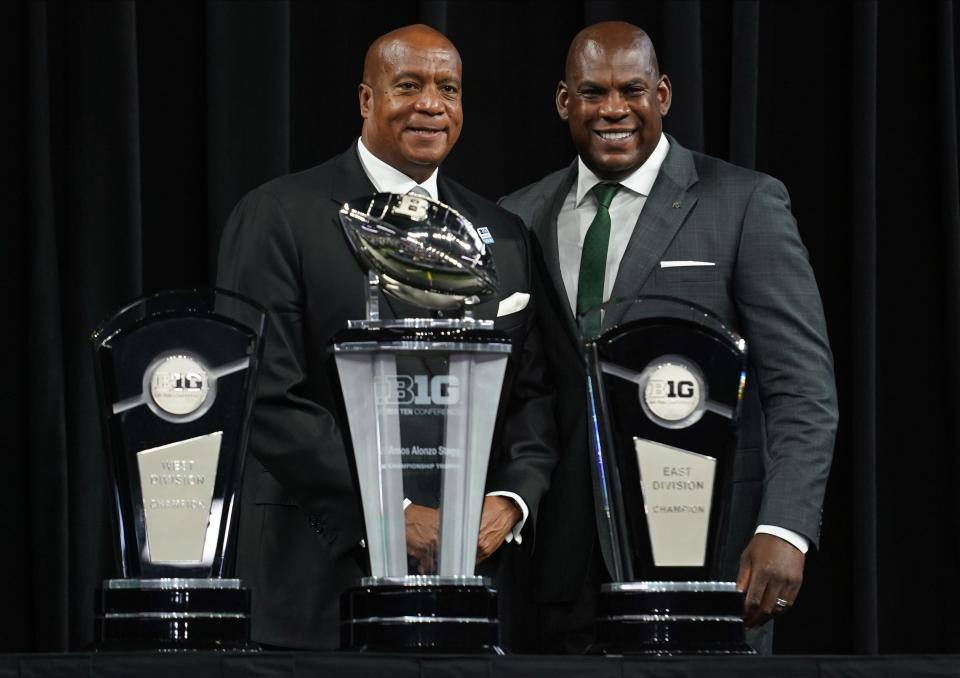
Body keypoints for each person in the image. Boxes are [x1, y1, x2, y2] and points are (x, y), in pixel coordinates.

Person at [500, 21, 838, 654]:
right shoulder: (518, 217)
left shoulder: (743, 203)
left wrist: (786, 528)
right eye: (592, 93)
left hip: (709, 556)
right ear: (563, 101)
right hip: (561, 574)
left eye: (631, 90)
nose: (613, 110)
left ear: (663, 94)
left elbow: (803, 388)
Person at [216, 24, 556, 650]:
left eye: (448, 89)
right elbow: (266, 394)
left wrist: (510, 499)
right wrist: (392, 516)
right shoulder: (279, 215)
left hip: (472, 585)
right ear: (367, 100)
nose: (432, 104)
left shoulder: (503, 233)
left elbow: (533, 393)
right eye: (409, 85)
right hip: (319, 587)